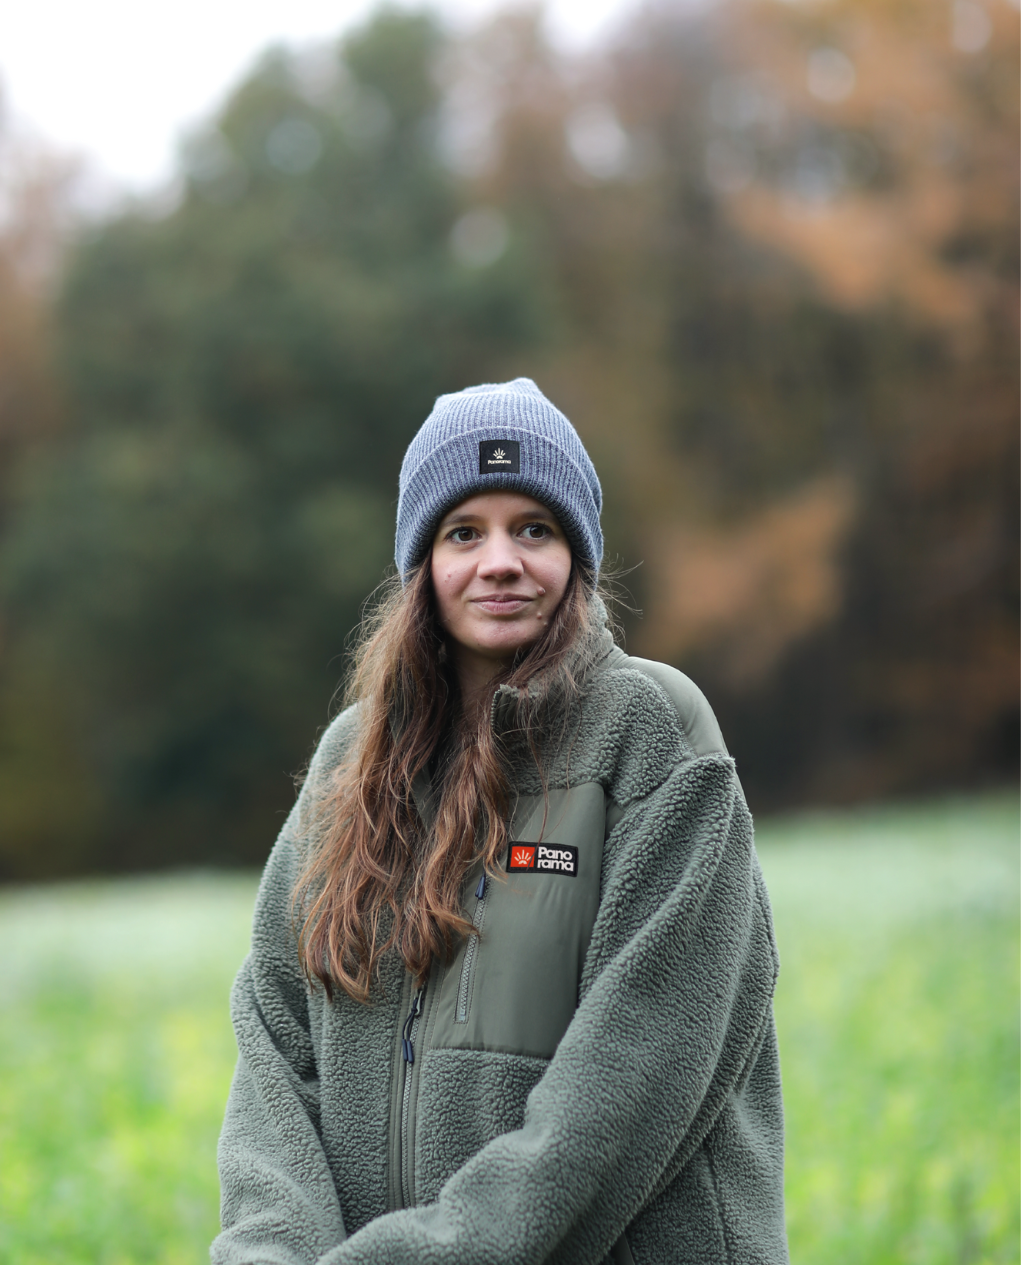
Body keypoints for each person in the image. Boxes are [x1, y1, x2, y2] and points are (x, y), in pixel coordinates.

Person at [212, 378, 788, 1265]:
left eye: (534, 528)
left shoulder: (655, 735)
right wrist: (269, 1250)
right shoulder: (347, 761)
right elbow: (276, 1037)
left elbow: (634, 1074)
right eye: (463, 532)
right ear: (421, 565)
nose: (500, 561)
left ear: (577, 554)